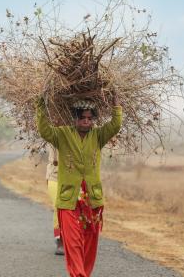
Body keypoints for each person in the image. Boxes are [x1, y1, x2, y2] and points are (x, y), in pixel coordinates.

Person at [36, 95, 122, 277]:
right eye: (82, 118)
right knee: (73, 241)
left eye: (90, 119)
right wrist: (41, 104)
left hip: (92, 199)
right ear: (74, 119)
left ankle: (84, 273)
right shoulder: (62, 134)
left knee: (90, 242)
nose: (86, 122)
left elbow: (115, 126)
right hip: (69, 199)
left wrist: (117, 107)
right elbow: (44, 130)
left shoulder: (98, 136)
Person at [45, 144, 64, 255]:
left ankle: (74, 240)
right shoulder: (54, 131)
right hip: (55, 175)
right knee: (59, 206)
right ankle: (60, 240)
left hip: (75, 176)